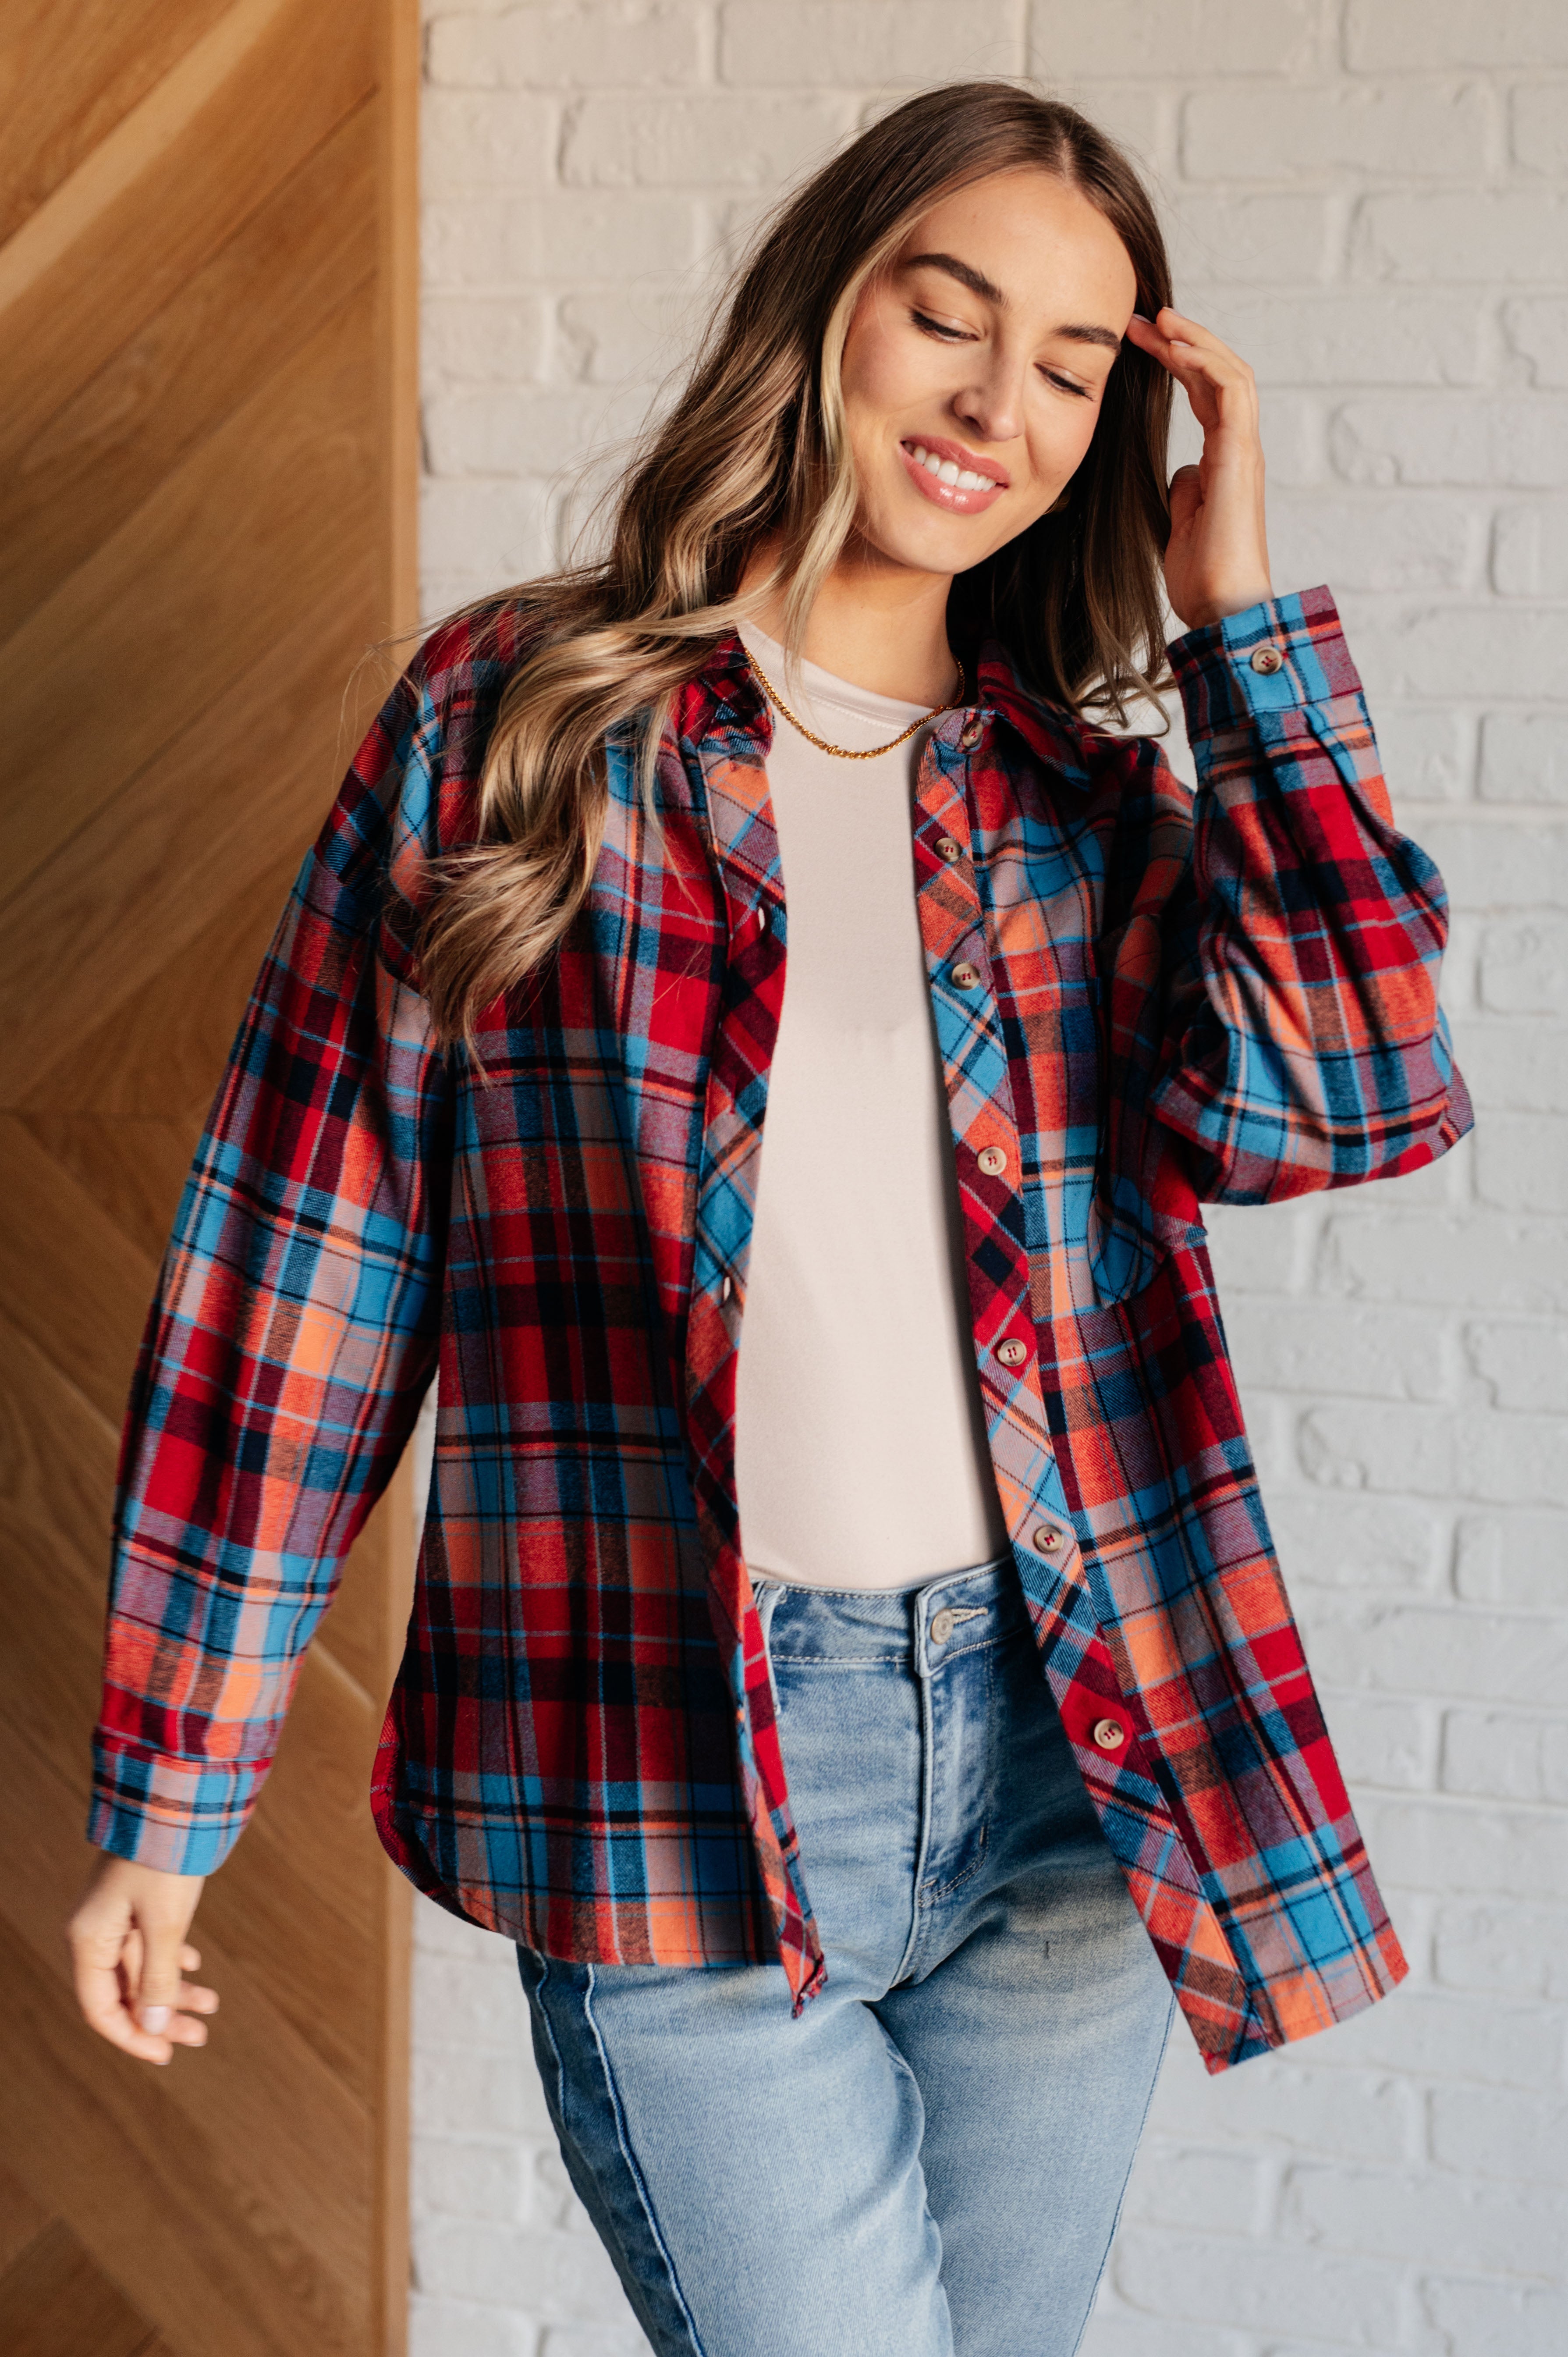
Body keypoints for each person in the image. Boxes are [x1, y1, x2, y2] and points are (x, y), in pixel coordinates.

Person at [68, 82, 1469, 2357]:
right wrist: (171, 1798)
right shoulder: (520, 732)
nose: (997, 402)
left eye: (1074, 368)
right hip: (681, 1759)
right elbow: (303, 1281)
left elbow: (1362, 1093)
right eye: (951, 314)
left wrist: (1246, 634)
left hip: (1063, 1761)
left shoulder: (1081, 813)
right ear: (831, 310)